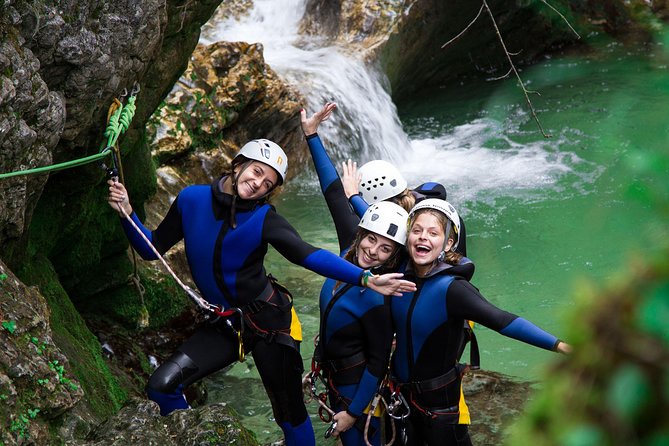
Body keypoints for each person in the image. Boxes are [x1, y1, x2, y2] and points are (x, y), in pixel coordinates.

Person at [106, 138, 416, 446]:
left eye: (267, 183)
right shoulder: (191, 200)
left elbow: (308, 254)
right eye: (256, 172)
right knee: (162, 386)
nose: (257, 184)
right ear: (238, 164)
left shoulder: (264, 219)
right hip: (225, 324)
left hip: (271, 324)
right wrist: (127, 214)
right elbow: (152, 249)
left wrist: (364, 279)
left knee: (289, 413)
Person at [388, 198, 571, 446]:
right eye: (417, 231)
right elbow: (371, 230)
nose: (423, 237)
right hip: (400, 402)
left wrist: (558, 345)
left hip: (440, 412)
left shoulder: (453, 290)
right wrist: (353, 196)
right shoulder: (396, 273)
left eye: (433, 233)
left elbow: (502, 320)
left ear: (448, 243)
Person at [301, 105, 406, 445]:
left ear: (393, 256)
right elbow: (333, 193)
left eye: (385, 249)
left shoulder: (379, 294)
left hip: (355, 388)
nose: (373, 251)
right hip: (333, 377)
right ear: (360, 235)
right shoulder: (349, 253)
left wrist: (353, 412)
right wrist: (311, 135)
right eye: (371, 240)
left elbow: (378, 363)